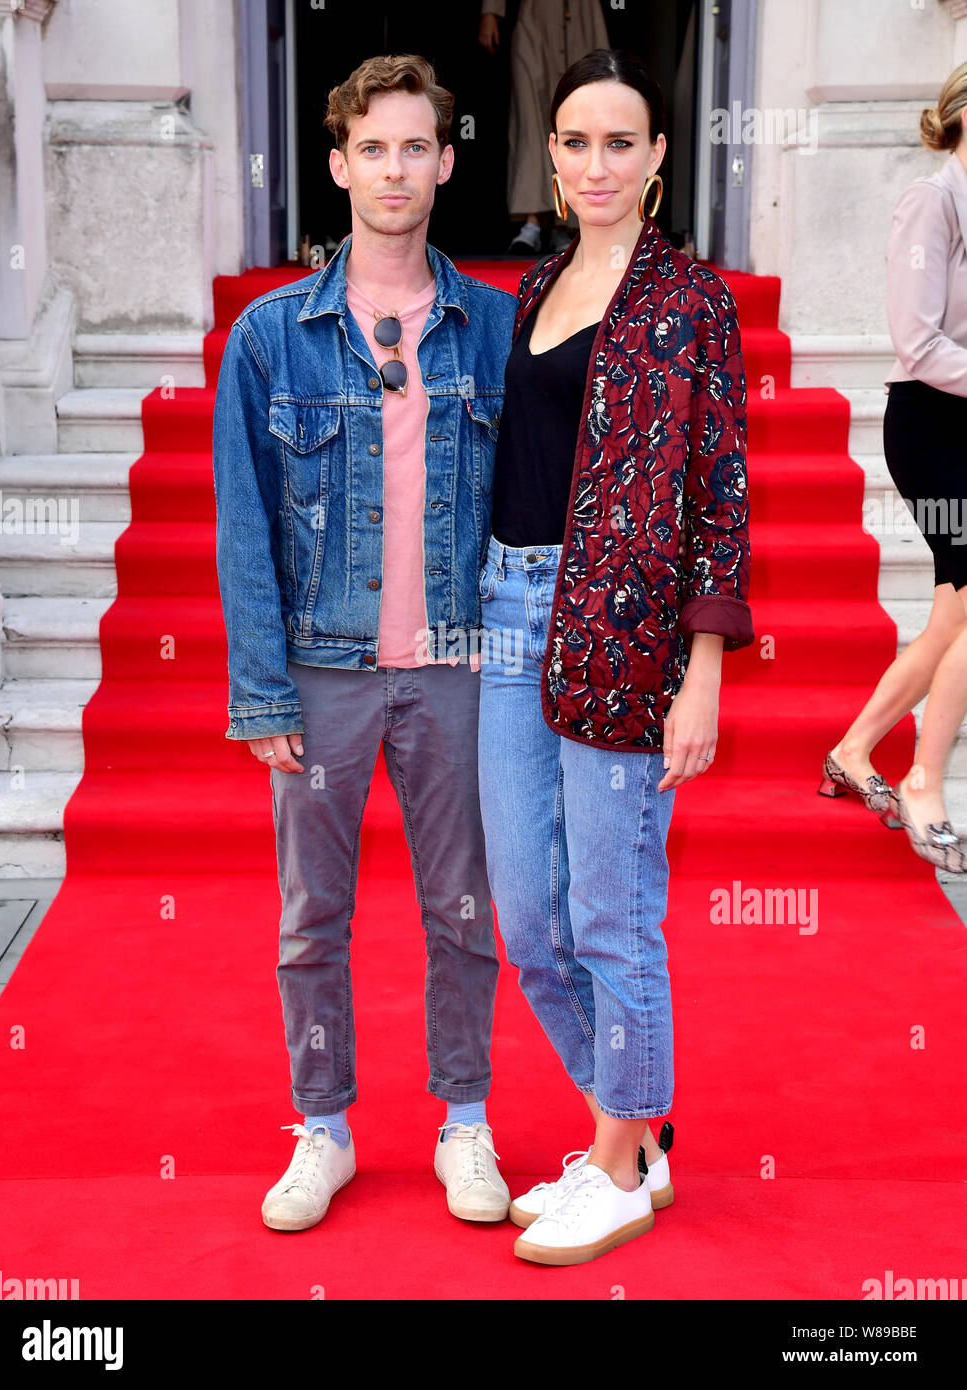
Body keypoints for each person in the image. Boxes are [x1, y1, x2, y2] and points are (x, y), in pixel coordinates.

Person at [212, 53, 518, 1231]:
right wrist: (261, 694)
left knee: (460, 907)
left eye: (415, 147)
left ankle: (465, 1122)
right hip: (322, 668)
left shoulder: (494, 327)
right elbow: (245, 527)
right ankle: (325, 1128)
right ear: (338, 166)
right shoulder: (270, 336)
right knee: (309, 916)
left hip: (453, 665)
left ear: (446, 163)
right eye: (371, 148)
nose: (394, 169)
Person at [476, 48, 753, 1266]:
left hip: (624, 633)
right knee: (526, 915)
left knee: (611, 913)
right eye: (575, 141)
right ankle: (635, 1133)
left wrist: (704, 665)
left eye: (619, 142)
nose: (596, 163)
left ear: (654, 159)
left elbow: (720, 493)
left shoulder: (690, 301)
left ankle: (614, 1159)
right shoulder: (531, 287)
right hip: (505, 608)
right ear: (550, 153)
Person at [820, 61, 967, 874]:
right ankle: (923, 780)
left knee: (952, 617)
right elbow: (918, 344)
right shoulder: (931, 201)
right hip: (931, 428)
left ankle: (852, 750)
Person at [479, 0, 609, 254]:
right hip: (535, 18)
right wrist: (491, 12)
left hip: (582, 19)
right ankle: (533, 221)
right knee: (530, 121)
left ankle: (565, 224)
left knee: (577, 119)